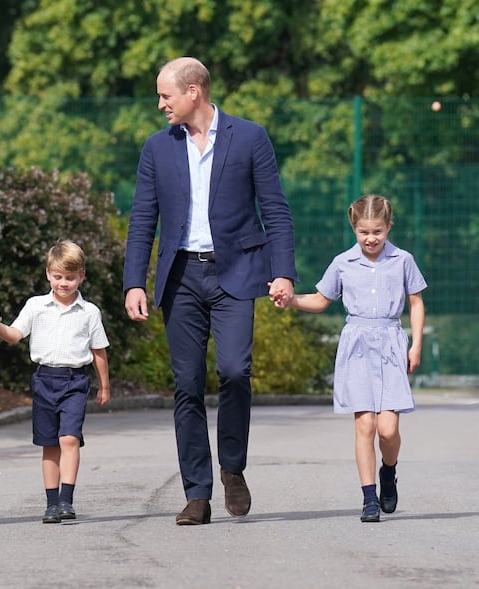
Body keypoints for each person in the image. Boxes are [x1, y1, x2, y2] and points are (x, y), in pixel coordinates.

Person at [123, 57, 297, 525]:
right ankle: (196, 494)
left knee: (236, 371)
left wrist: (283, 272)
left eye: (166, 95)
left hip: (237, 272)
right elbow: (143, 218)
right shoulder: (157, 148)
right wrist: (134, 281)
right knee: (187, 385)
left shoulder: (250, 137)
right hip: (180, 277)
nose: (160, 104)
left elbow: (275, 209)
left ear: (193, 91)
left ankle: (233, 467)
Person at [271, 194, 426, 522]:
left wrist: (415, 345)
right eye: (364, 232)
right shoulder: (343, 262)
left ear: (388, 227)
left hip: (390, 344)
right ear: (354, 228)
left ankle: (389, 471)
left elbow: (415, 302)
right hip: (356, 345)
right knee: (365, 424)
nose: (371, 239)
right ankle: (369, 499)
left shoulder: (403, 260)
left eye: (378, 232)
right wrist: (291, 300)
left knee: (388, 429)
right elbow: (320, 299)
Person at [0, 240, 110, 523]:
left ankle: (67, 500)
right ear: (48, 274)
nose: (64, 283)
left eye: (70, 277)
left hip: (75, 381)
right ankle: (52, 503)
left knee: (69, 439)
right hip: (44, 379)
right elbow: (15, 334)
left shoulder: (89, 312)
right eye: (58, 277)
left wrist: (104, 386)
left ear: (81, 276)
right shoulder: (36, 306)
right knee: (49, 445)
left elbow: (99, 351)